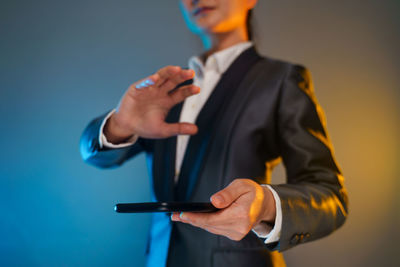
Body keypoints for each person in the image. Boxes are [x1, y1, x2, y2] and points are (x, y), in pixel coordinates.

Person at [80, 0, 348, 266]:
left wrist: (265, 205)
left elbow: (331, 197)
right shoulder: (166, 90)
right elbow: (96, 155)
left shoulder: (281, 80)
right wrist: (119, 125)